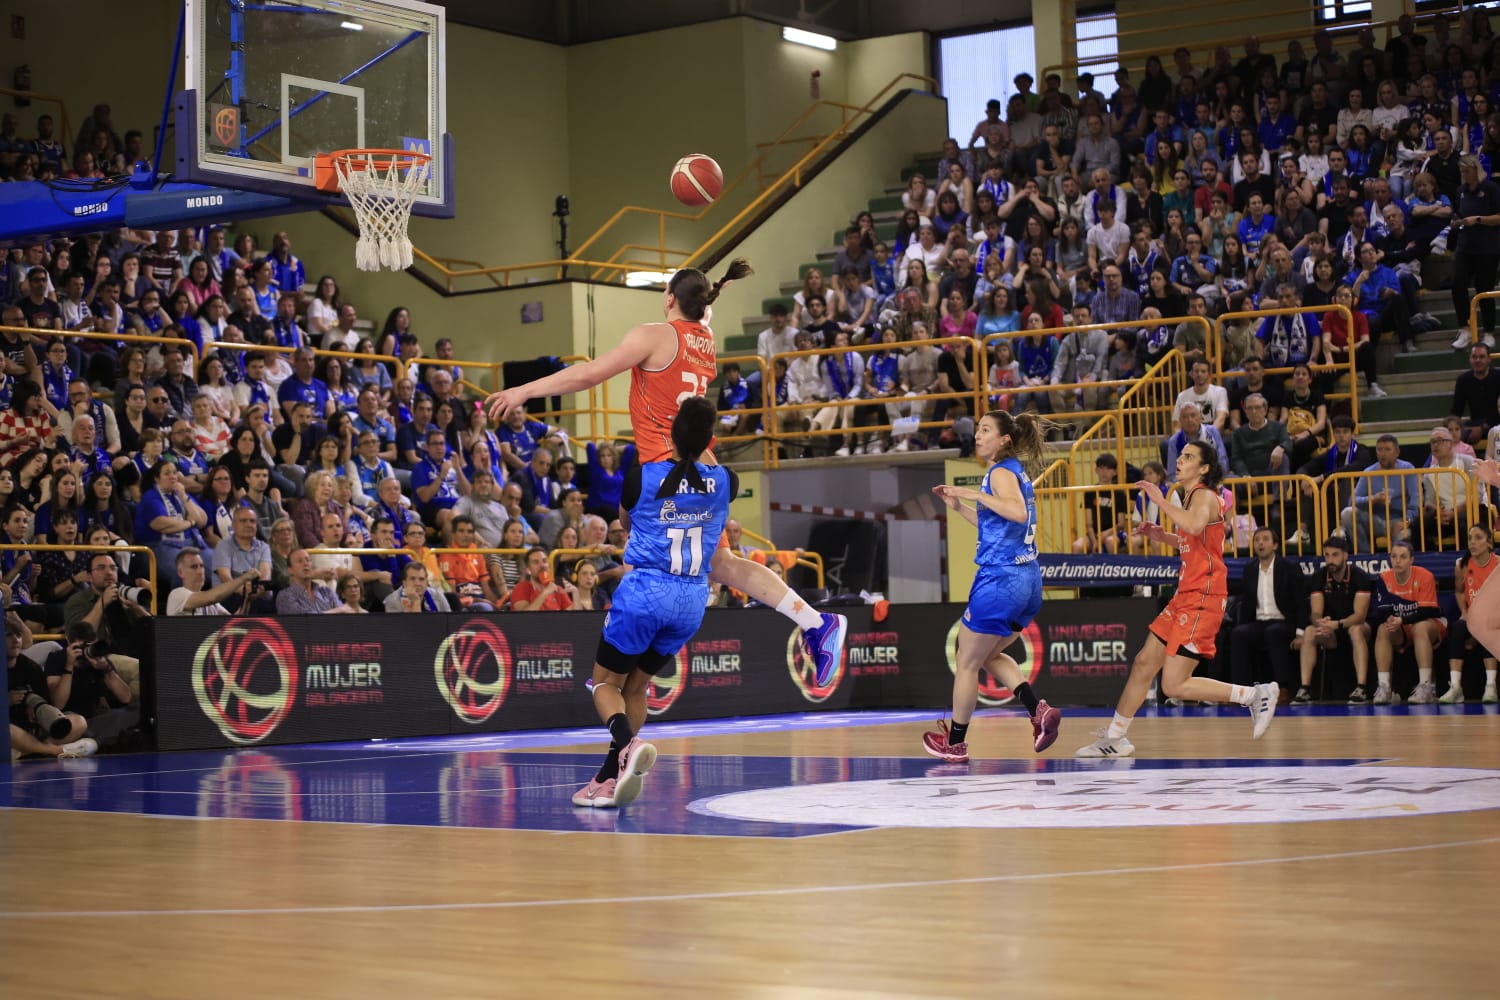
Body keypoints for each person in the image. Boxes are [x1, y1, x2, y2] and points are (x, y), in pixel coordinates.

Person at [483, 259, 847, 682]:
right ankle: (816, 623)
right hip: (704, 466)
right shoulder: (705, 336)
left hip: (664, 469)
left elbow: (589, 375)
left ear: (670, 298)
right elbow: (702, 310)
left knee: (646, 565)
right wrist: (706, 291)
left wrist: (524, 391)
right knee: (723, 563)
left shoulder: (654, 335)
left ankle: (615, 680)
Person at [571, 397, 733, 808]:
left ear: (671, 437)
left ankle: (627, 746)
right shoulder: (726, 479)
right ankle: (609, 777)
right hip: (693, 599)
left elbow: (624, 523)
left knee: (605, 684)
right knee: (638, 686)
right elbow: (704, 461)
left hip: (646, 592)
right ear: (710, 439)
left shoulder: (642, 476)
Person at [1076, 442, 1279, 757]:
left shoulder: (1204, 495)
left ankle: (1254, 695)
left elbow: (1194, 525)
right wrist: (1162, 536)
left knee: (1173, 685)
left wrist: (1158, 500)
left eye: (1188, 457)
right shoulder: (1190, 497)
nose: (1180, 460)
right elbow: (1194, 538)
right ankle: (1115, 738)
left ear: (1204, 468)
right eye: (1180, 455)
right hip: (1186, 594)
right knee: (1144, 663)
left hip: (1204, 596)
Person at [922, 410, 1060, 762]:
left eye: (986, 430)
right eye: (978, 429)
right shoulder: (1012, 472)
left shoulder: (999, 472)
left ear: (1004, 440)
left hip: (1000, 581)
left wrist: (972, 492)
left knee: (966, 661)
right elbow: (997, 526)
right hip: (1027, 581)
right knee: (988, 655)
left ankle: (955, 744)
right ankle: (1038, 710)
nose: (978, 435)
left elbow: (1016, 513)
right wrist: (958, 506)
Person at [1293, 535, 1375, 705]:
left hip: (1356, 627)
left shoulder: (1359, 576)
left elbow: (1360, 615)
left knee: (1356, 630)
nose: (1330, 560)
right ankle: (1305, 688)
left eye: (1335, 555)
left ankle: (1361, 687)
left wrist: (1337, 624)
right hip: (1331, 630)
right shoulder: (1319, 577)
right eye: (1327, 555)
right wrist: (1321, 623)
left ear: (1345, 556)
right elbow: (1315, 612)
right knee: (1309, 631)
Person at [1228, 528, 1305, 692]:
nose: (1260, 543)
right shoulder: (1250, 569)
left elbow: (1301, 603)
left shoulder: (1289, 568)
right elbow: (1247, 603)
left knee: (1274, 632)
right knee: (1238, 634)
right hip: (1260, 621)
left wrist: (1300, 633)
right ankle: (1241, 690)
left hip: (1284, 621)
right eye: (1257, 540)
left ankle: (1283, 688)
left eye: (1265, 539)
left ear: (1275, 545)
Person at [1372, 540, 1447, 705]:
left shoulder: (1425, 576)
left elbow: (1428, 611)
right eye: (1394, 556)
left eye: (1403, 557)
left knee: (1419, 628)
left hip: (1431, 623)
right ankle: (1384, 687)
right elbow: (1382, 610)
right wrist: (1391, 620)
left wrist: (1402, 619)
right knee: (1383, 629)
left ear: (1411, 560)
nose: (1398, 561)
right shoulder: (1384, 578)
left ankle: (1426, 686)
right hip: (1403, 627)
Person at [1443, 524, 1500, 704]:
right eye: (1470, 538)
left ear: (1489, 543)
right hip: (1473, 619)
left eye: (1478, 538)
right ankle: (1455, 686)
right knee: (1459, 627)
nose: (1473, 543)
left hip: (1495, 618)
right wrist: (1465, 613)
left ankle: (1490, 686)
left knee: (1486, 626)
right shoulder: (1461, 565)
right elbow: (1459, 591)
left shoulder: (1498, 564)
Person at [166, 547, 260, 616]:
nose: (200, 571)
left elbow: (232, 622)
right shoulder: (176, 595)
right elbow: (212, 597)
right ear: (180, 572)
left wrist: (247, 599)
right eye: (194, 567)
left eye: (201, 566)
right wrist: (243, 578)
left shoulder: (213, 605)